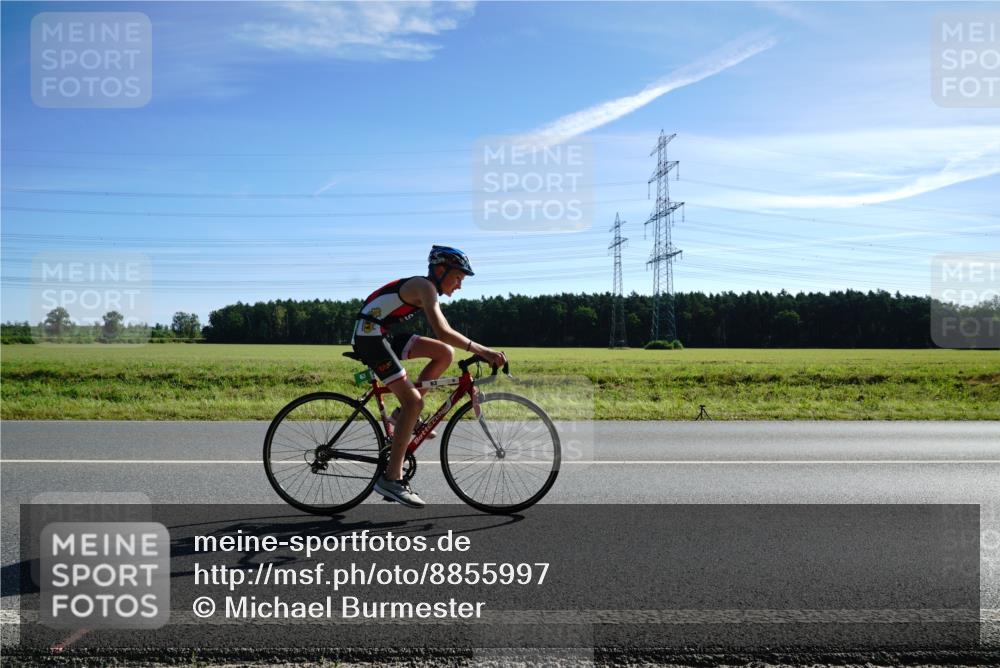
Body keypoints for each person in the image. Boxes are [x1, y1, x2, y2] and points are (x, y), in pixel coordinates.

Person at [351, 245, 506, 508]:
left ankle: (401, 416)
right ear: (440, 270)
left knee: (444, 353)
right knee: (415, 401)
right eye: (458, 278)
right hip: (370, 337)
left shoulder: (426, 288)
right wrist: (485, 351)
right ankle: (391, 478)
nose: (459, 286)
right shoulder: (425, 287)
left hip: (382, 333)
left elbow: (444, 341)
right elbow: (443, 330)